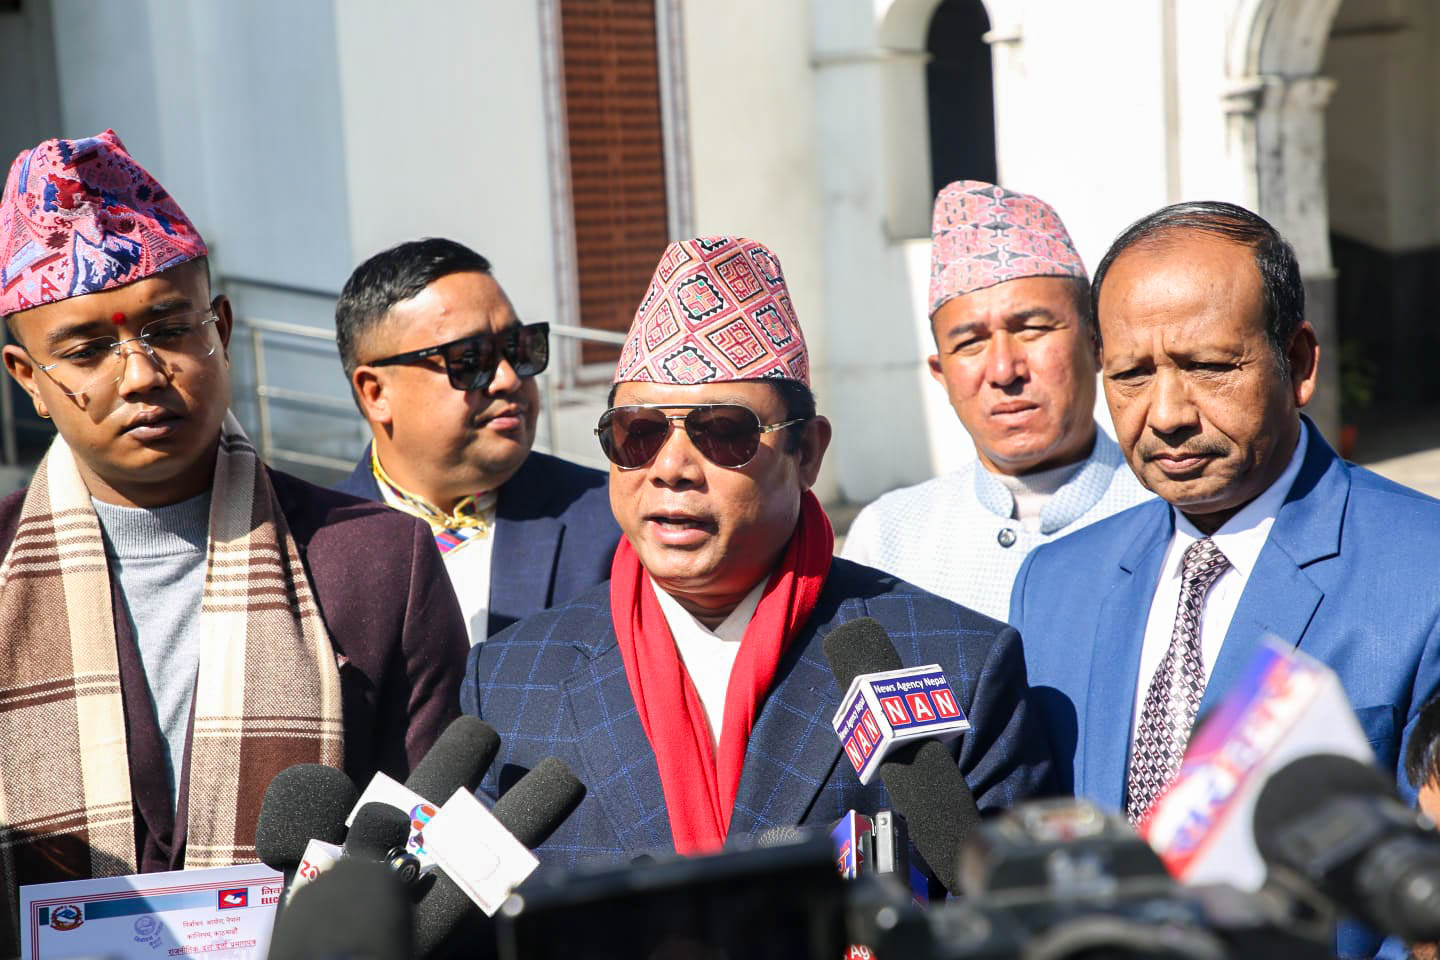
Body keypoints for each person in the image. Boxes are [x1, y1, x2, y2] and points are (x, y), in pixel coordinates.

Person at [0, 131, 467, 948]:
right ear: (27, 378)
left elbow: (427, 854)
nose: (141, 374)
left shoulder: (376, 564)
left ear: (218, 325)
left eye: (169, 329)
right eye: (88, 349)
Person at [462, 235, 1049, 867]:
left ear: (808, 453)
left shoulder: (954, 664)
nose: (671, 469)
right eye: (638, 433)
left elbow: (1008, 909)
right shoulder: (511, 681)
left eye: (722, 432)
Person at [1008, 201, 1440, 959]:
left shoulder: (1422, 571)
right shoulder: (1055, 586)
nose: (1167, 413)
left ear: (1298, 362)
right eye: (1131, 374)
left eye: (1209, 367)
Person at [843, 181, 1149, 620]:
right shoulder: (890, 539)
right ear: (941, 374)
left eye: (1032, 329)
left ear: (1097, 344)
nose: (1005, 371)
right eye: (970, 343)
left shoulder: (1172, 510)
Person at [333, 238, 619, 644]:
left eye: (519, 349)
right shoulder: (307, 548)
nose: (509, 378)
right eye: (470, 360)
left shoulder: (613, 523)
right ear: (376, 393)